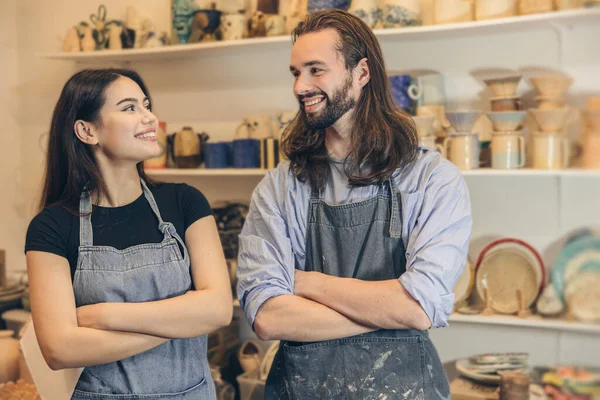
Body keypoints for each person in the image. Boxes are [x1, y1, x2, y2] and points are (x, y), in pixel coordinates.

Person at [236, 9, 472, 399]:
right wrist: (388, 310)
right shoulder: (280, 187)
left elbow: (418, 307)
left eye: (316, 70)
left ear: (361, 73)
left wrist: (306, 282)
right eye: (296, 72)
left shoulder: (431, 179)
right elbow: (268, 316)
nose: (300, 86)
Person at [25, 68, 232, 399]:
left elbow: (219, 309)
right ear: (87, 130)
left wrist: (105, 316)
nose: (149, 117)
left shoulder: (184, 202)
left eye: (146, 105)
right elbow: (60, 349)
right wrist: (182, 323)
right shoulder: (52, 226)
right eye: (129, 107)